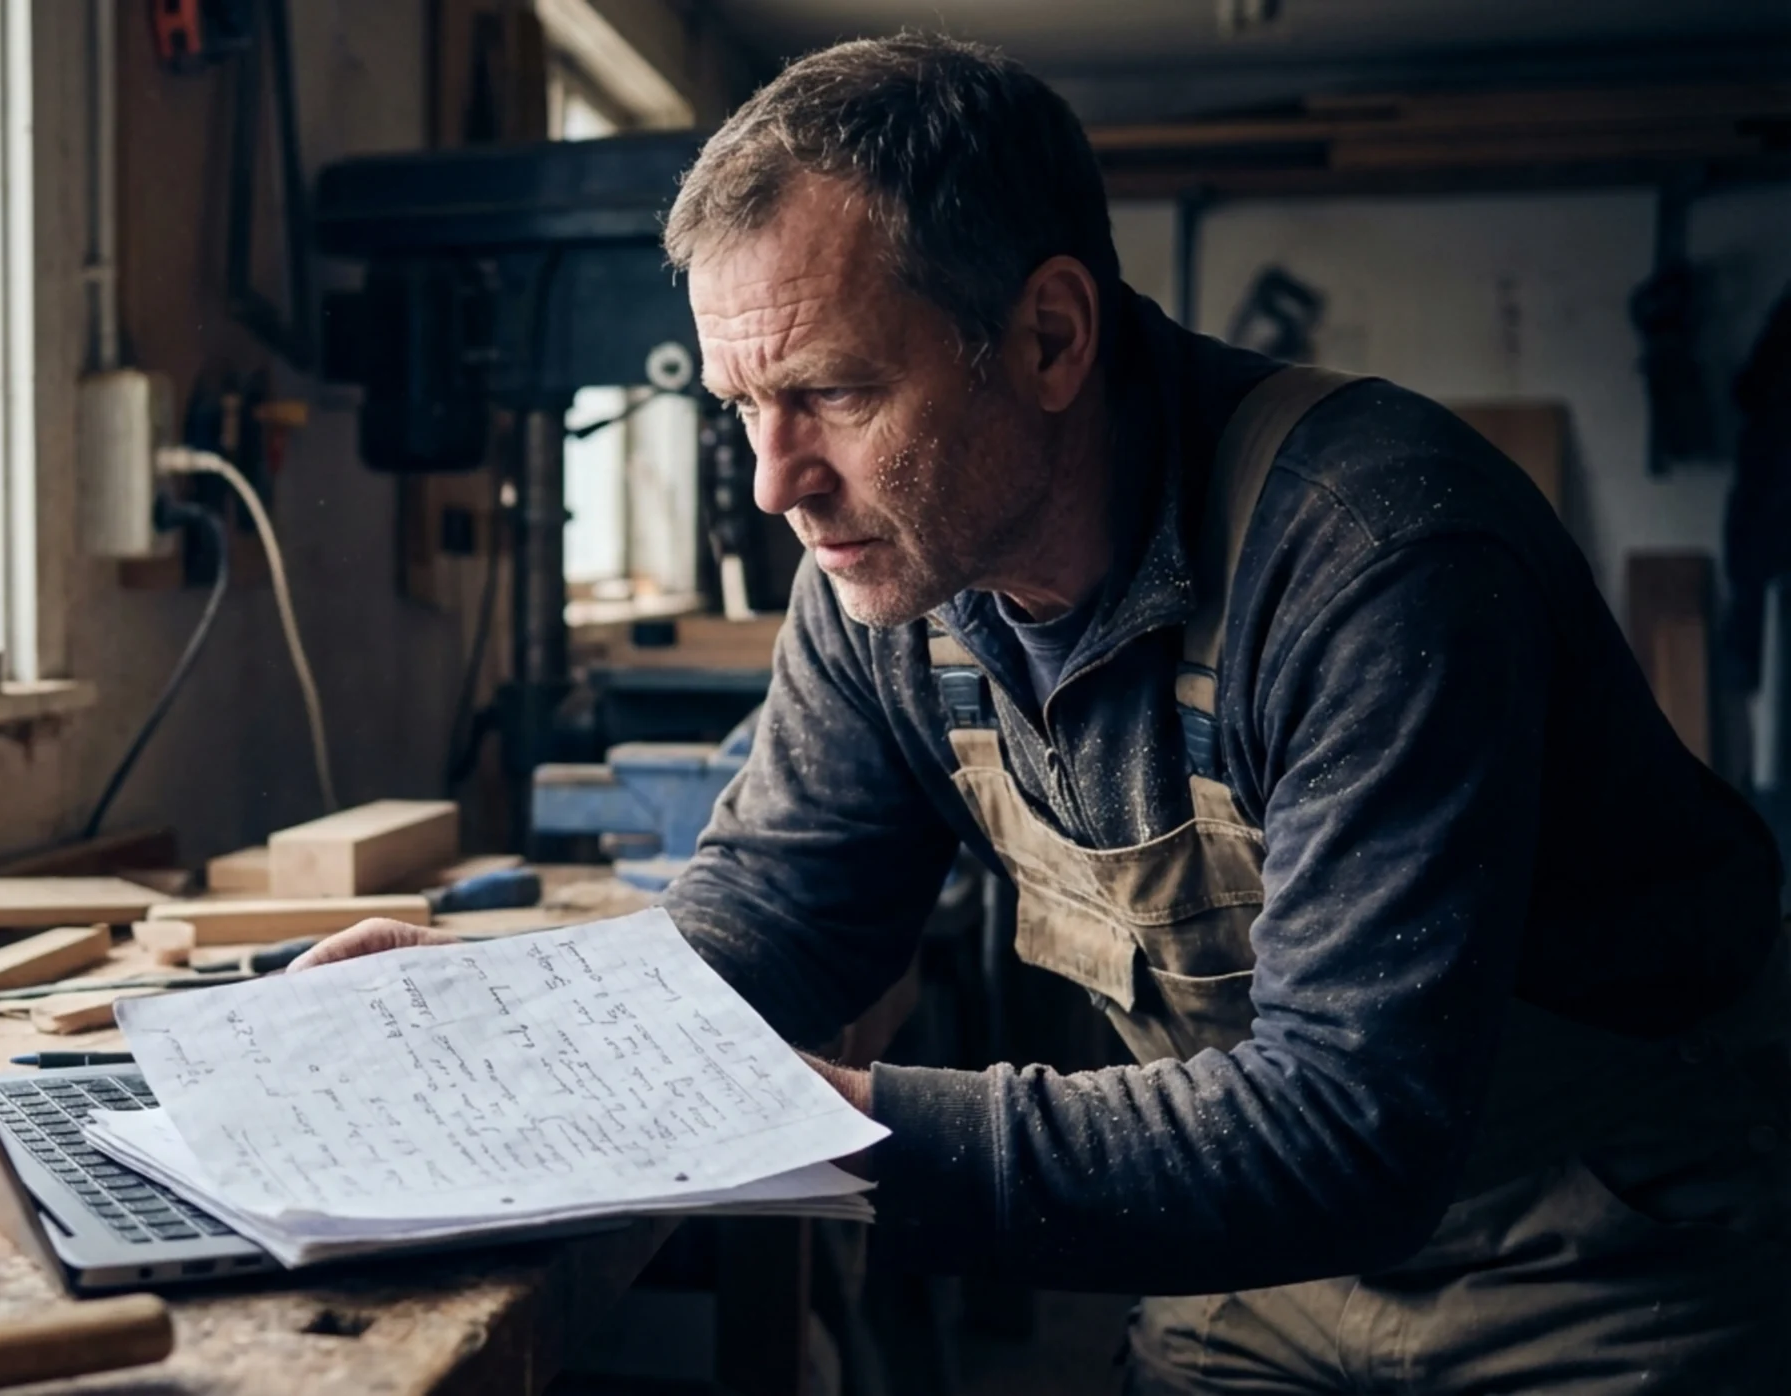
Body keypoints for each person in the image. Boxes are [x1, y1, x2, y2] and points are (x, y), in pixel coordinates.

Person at [295, 33, 1791, 1393]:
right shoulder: (894, 573)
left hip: (1599, 1246)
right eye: (744, 411)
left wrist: (833, 1123)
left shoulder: (1374, 558)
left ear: (1053, 337)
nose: (777, 485)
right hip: (1256, 1262)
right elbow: (790, 903)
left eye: (831, 392)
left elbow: (1354, 1123)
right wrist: (523, 1026)